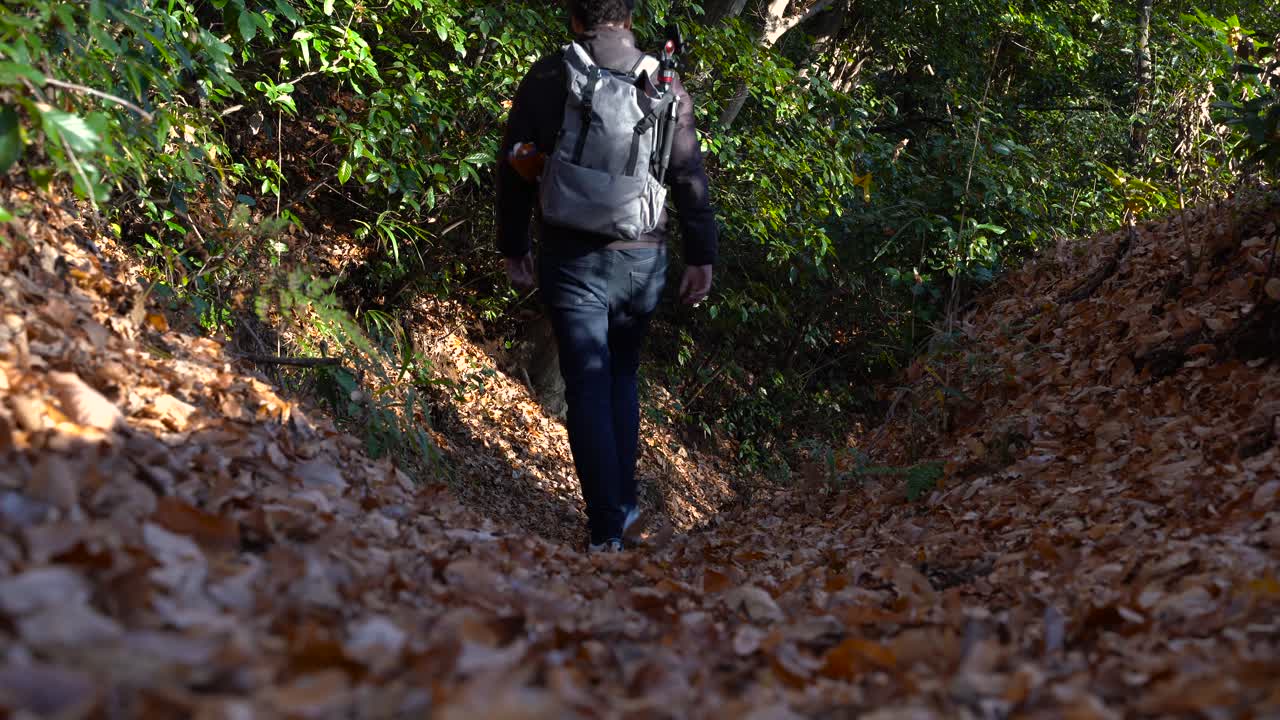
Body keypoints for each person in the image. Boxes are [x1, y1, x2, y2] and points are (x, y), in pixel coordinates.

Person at [496, 0, 718, 553]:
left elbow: (517, 161)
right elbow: (688, 174)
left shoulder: (551, 74)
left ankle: (607, 529)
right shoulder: (661, 80)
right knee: (620, 376)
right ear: (630, 18)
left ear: (576, 19)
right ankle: (624, 510)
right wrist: (701, 257)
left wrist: (514, 245)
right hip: (641, 259)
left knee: (588, 387)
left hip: (571, 257)